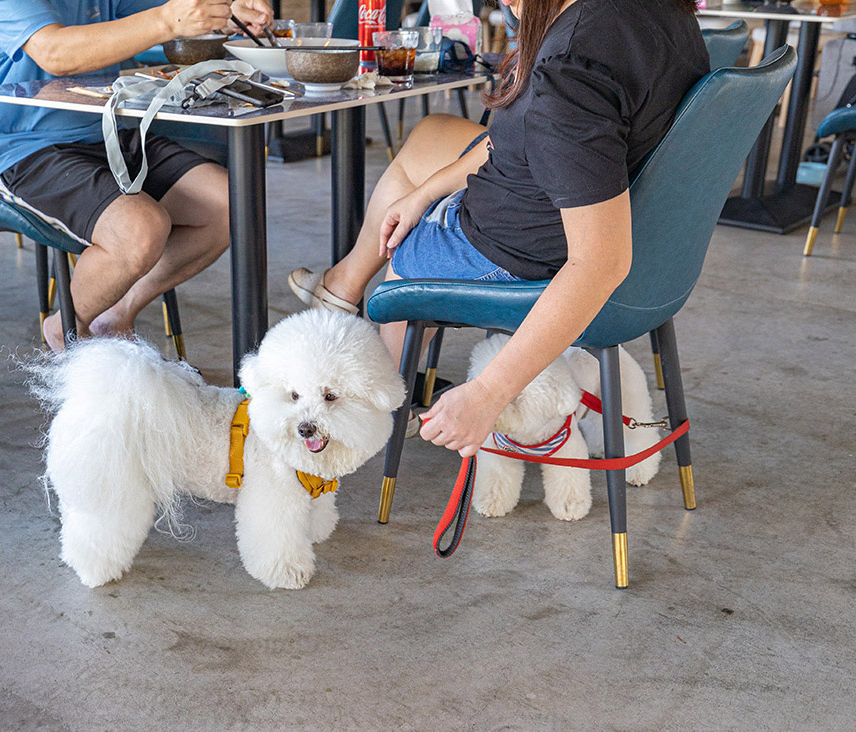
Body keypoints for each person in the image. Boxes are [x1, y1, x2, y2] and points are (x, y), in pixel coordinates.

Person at [288, 0, 709, 456]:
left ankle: (376, 408)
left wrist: (487, 394)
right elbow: (511, 136)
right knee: (429, 141)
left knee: (409, 252)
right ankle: (342, 289)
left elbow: (600, 262)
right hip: (625, 219)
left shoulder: (569, 73)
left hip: (526, 246)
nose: (503, 4)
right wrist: (423, 194)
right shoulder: (653, 11)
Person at [0, 0, 272, 350]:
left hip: (104, 132)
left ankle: (114, 314)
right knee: (139, 230)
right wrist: (170, 20)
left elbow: (169, 9)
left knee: (233, 205)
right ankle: (68, 327)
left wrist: (223, 12)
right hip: (16, 148)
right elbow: (54, 53)